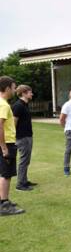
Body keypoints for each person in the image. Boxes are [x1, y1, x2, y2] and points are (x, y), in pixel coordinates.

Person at [0, 76, 25, 216]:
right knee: (6, 174)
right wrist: (4, 148)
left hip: (5, 143)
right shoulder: (3, 104)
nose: (15, 90)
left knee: (4, 173)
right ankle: (4, 204)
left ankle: (3, 201)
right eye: (14, 87)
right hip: (6, 143)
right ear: (7, 87)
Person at [12, 85, 37, 191]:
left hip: (27, 135)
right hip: (22, 137)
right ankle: (20, 184)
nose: (32, 94)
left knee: (26, 160)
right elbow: (14, 122)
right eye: (30, 92)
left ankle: (24, 180)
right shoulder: (18, 105)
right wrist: (15, 136)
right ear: (23, 93)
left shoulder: (25, 104)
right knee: (24, 160)